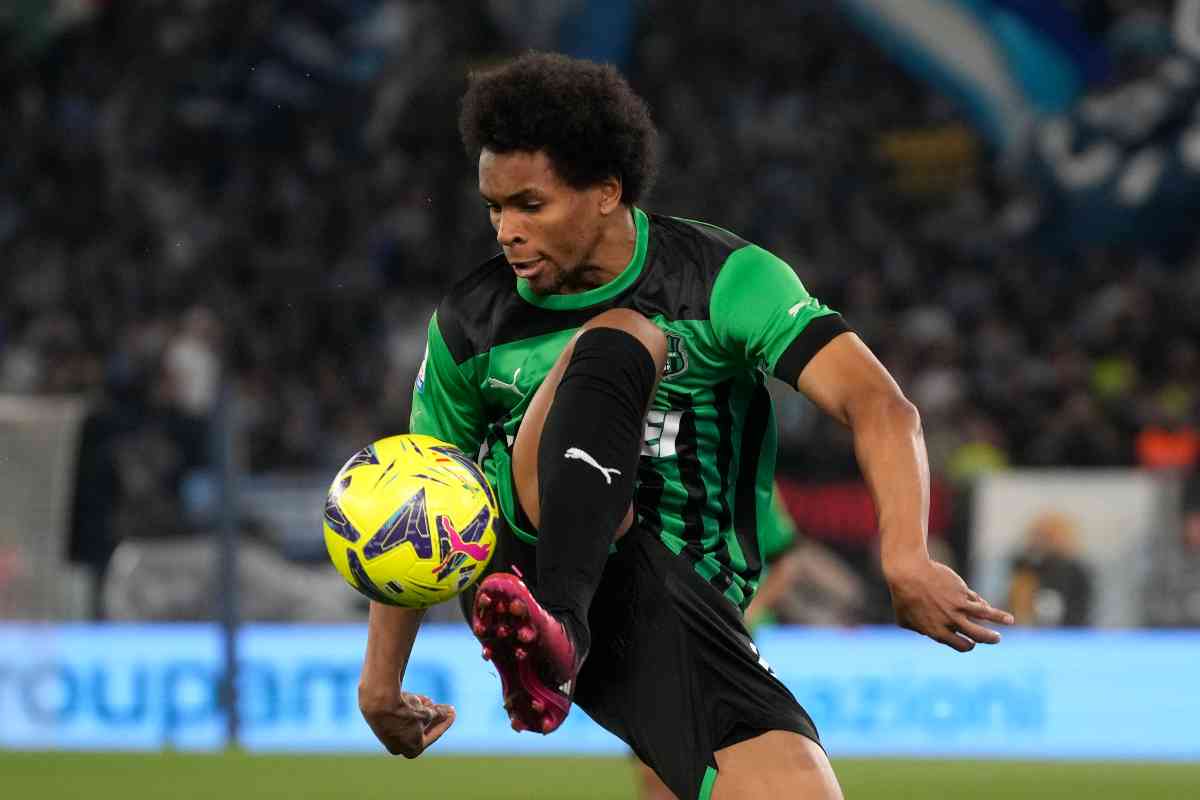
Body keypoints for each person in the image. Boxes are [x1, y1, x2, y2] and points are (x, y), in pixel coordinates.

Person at [356, 52, 1013, 800]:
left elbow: (878, 404)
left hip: (680, 603)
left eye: (529, 206)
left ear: (607, 191)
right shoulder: (471, 323)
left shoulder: (722, 278)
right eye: (494, 208)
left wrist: (905, 554)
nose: (506, 231)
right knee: (622, 336)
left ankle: (563, 645)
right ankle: (556, 633)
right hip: (527, 576)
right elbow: (421, 498)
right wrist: (380, 681)